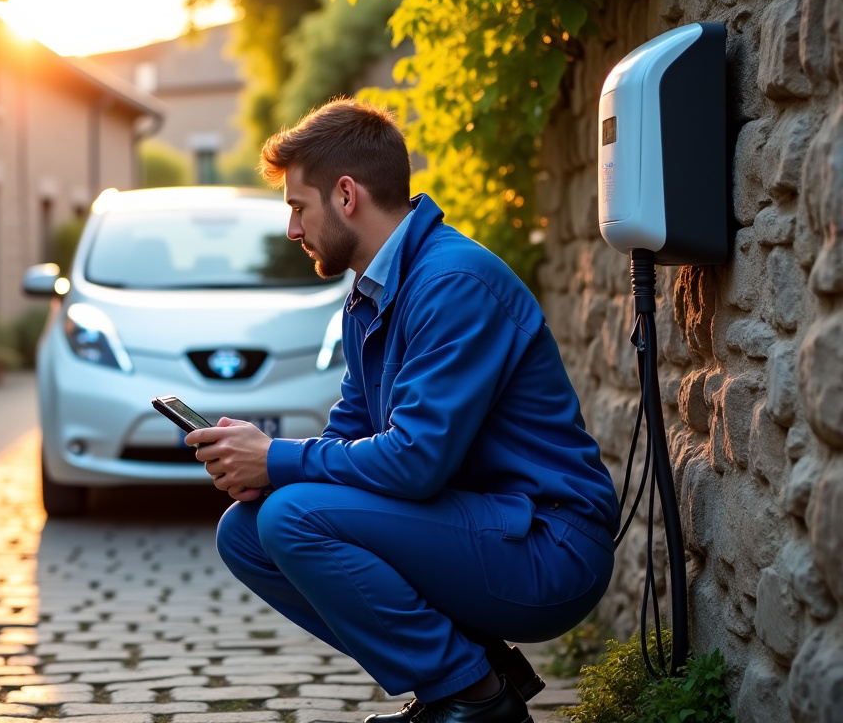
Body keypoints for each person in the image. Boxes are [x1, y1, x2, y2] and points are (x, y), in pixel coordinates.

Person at [186, 99, 619, 723]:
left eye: (297, 206)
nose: (293, 230)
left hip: (548, 547)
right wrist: (256, 469)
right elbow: (350, 436)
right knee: (247, 532)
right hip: (477, 526)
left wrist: (276, 460)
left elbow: (416, 462)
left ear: (345, 195)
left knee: (292, 516)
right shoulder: (371, 296)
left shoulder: (452, 284)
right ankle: (472, 676)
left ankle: (473, 699)